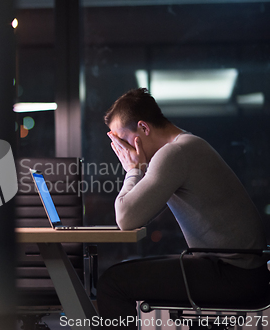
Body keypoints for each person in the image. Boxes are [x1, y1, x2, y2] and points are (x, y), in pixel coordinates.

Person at [97, 88, 269, 329]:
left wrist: (133, 171)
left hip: (233, 275)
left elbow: (126, 218)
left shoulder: (175, 152)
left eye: (123, 142)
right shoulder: (186, 145)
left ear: (144, 129)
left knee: (112, 283)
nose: (126, 152)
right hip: (241, 271)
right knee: (126, 269)